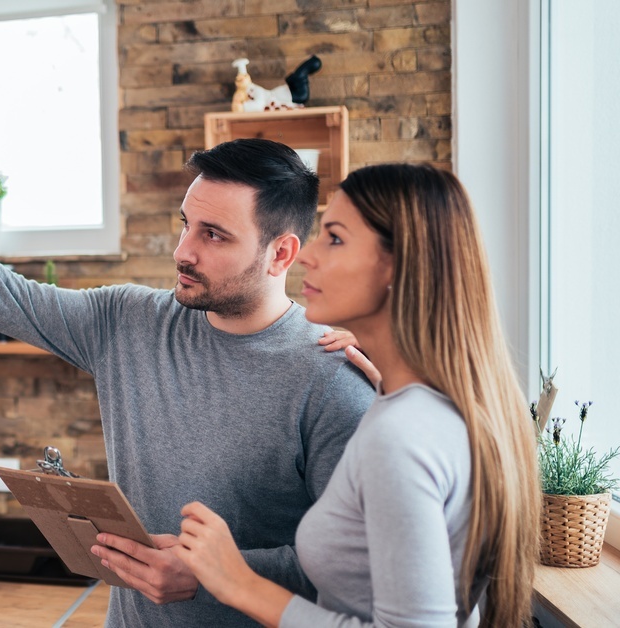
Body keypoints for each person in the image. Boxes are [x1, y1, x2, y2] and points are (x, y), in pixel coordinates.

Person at [0, 109, 376, 627]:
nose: (183, 251)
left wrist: (213, 573)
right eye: (186, 224)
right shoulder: (127, 321)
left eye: (213, 235)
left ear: (281, 253)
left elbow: (354, 564)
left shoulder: (331, 377)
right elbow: (0, 293)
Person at [172, 164, 541, 627]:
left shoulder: (401, 436)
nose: (306, 255)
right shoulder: (429, 407)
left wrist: (238, 582)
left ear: (398, 266)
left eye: (336, 238)